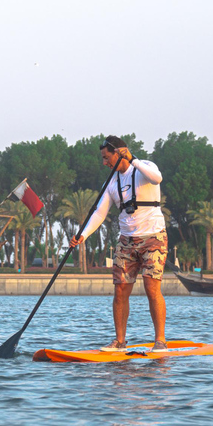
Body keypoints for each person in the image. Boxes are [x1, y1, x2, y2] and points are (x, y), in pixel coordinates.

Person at [69, 135, 168, 352]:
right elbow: (99, 213)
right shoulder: (111, 182)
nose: (104, 162)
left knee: (151, 287)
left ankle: (160, 341)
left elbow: (157, 179)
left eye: (107, 157)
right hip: (126, 241)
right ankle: (120, 341)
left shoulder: (145, 167)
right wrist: (83, 235)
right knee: (120, 290)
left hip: (153, 237)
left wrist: (133, 159)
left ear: (119, 152)